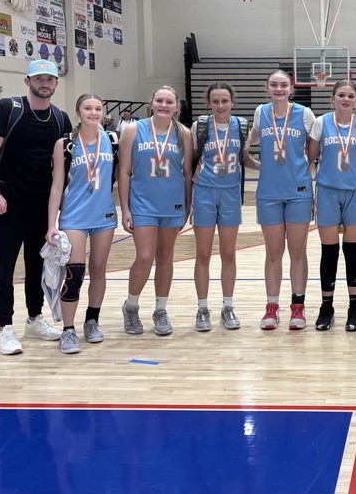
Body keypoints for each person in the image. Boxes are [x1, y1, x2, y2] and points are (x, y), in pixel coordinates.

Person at [0, 59, 73, 355]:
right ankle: (4, 327)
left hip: (42, 205)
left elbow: (63, 166)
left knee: (38, 265)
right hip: (8, 202)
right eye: (38, 79)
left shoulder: (60, 118)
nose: (44, 83)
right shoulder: (7, 108)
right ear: (28, 81)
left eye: (49, 79)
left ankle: (34, 319)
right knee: (4, 266)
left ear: (56, 83)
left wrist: (63, 203)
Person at [45, 93, 118, 354]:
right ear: (78, 112)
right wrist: (51, 224)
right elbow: (56, 186)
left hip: (104, 215)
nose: (93, 113)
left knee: (99, 270)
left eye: (98, 108)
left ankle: (92, 321)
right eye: (88, 108)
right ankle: (68, 330)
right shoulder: (65, 144)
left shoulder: (112, 140)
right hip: (74, 216)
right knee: (74, 273)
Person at [118, 86, 193, 337]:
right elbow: (124, 172)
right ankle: (131, 306)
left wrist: (187, 205)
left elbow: (187, 173)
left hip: (172, 203)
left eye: (169, 102)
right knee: (144, 257)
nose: (164, 105)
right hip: (142, 203)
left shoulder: (184, 133)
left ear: (176, 106)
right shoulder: (133, 129)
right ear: (151, 103)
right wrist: (125, 208)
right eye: (159, 100)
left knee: (165, 257)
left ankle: (160, 310)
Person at [249, 70, 315, 331]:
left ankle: (298, 307)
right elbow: (250, 140)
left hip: (298, 192)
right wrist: (258, 165)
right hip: (268, 192)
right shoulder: (260, 112)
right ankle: (272, 307)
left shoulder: (305, 114)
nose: (279, 89)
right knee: (273, 252)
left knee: (297, 252)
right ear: (267, 88)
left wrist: (304, 170)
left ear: (291, 89)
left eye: (283, 85)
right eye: (274, 85)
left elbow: (315, 148)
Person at [307, 80, 356, 331]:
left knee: (352, 250)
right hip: (327, 192)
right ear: (333, 98)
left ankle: (355, 306)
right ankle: (327, 306)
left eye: (350, 96)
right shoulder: (321, 123)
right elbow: (310, 158)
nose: (346, 99)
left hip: (355, 193)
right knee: (329, 251)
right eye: (341, 95)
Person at [191, 82, 258, 332]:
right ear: (209, 103)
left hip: (230, 194)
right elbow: (191, 161)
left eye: (225, 101)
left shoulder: (241, 126)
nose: (220, 105)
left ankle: (228, 307)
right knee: (203, 254)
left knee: (229, 254)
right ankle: (202, 308)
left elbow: (245, 159)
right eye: (216, 101)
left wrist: (269, 167)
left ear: (232, 102)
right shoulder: (199, 127)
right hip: (204, 193)